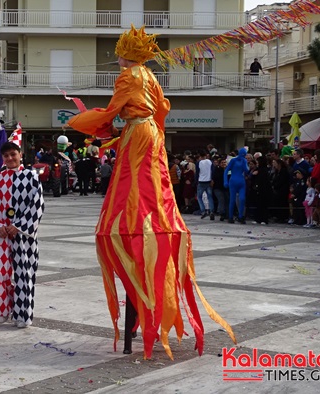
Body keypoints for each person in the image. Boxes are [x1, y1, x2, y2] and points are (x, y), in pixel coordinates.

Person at [66, 25, 235, 358]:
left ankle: (136, 221)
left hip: (137, 133)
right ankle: (151, 218)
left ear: (126, 53)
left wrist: (88, 122)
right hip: (153, 134)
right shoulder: (152, 77)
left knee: (131, 185)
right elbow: (160, 110)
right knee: (153, 186)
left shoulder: (129, 76)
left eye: (118, 53)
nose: (116, 59)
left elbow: (114, 111)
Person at [0, 141, 44, 328]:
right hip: (1, 234)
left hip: (24, 236)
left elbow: (38, 204)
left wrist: (18, 226)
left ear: (20, 155)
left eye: (13, 154)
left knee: (24, 274)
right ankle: (3, 307)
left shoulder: (31, 177)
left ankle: (23, 314)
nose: (10, 158)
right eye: (6, 156)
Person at [225, 148, 249, 224]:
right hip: (233, 181)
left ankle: (240, 216)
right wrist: (225, 181)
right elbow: (226, 170)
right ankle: (230, 216)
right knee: (232, 200)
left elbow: (246, 170)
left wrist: (244, 162)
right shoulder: (233, 160)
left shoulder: (244, 161)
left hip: (241, 182)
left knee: (242, 199)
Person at [196, 150, 214, 220]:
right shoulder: (210, 162)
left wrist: (195, 181)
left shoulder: (199, 163)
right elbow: (212, 170)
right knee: (210, 197)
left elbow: (197, 173)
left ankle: (203, 211)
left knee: (199, 197)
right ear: (206, 155)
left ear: (200, 156)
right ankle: (211, 211)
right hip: (208, 181)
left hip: (201, 181)